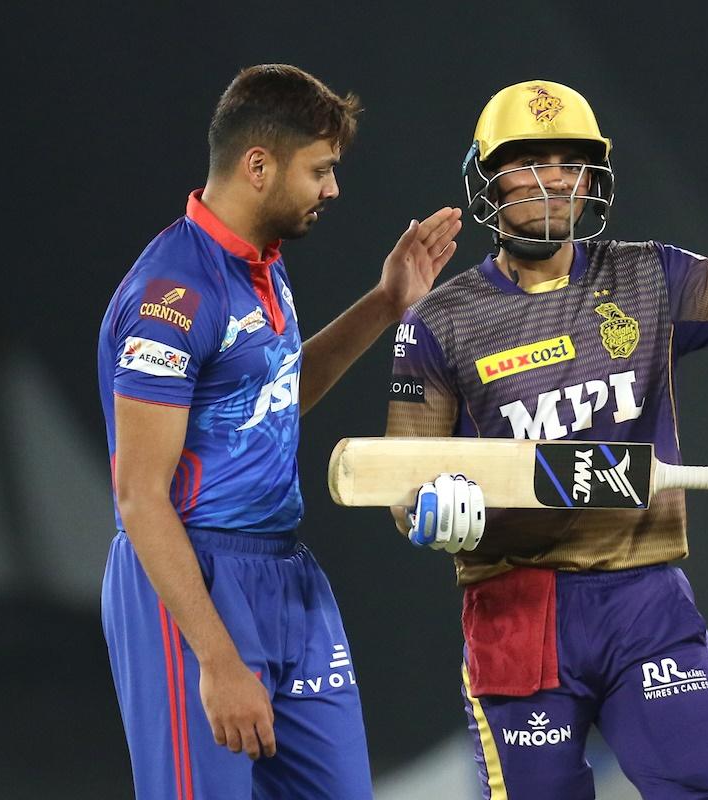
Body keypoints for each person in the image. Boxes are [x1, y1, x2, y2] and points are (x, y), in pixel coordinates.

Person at [384, 79, 708, 799]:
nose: (553, 180)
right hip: (516, 610)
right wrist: (432, 512)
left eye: (569, 160)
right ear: (487, 178)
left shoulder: (649, 276)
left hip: (644, 599)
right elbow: (401, 482)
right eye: (527, 160)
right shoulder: (438, 322)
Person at [97, 63, 461, 799]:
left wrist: (386, 304)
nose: (333, 189)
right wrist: (218, 659)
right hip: (192, 580)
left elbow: (272, 398)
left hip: (286, 576)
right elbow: (139, 496)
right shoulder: (174, 295)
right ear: (257, 166)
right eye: (320, 170)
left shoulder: (262, 268)